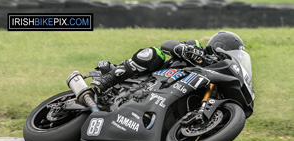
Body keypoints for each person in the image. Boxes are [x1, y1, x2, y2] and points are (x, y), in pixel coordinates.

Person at [91, 31, 245, 94]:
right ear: (220, 47)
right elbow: (167, 45)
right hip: (153, 78)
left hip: (170, 94)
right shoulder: (197, 47)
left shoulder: (217, 78)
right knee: (154, 54)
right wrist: (183, 49)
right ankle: (107, 80)